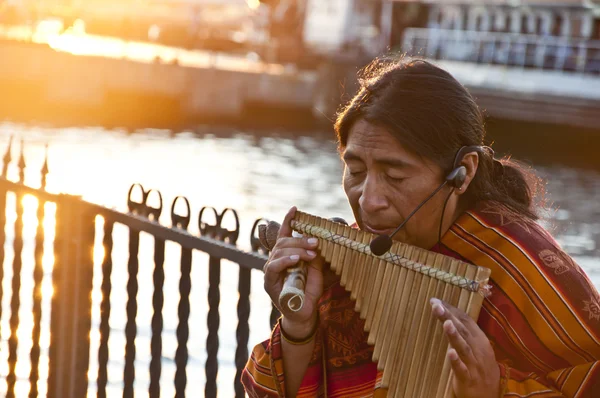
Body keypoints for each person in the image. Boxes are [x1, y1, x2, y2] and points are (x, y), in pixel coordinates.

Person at [241, 57, 600, 397]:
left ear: (465, 172)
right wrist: (299, 328)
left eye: (395, 174)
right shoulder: (348, 262)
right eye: (356, 171)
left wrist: (494, 389)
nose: (368, 200)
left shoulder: (521, 261)